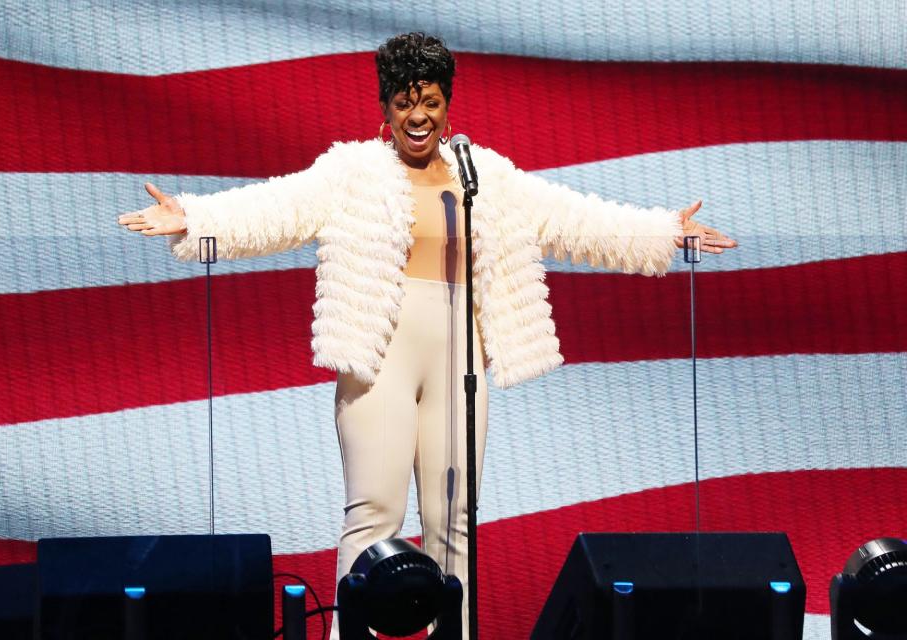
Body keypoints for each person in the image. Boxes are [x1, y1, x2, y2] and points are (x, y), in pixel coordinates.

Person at [118, 32, 736, 638]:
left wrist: (662, 233)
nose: (419, 116)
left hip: (458, 356)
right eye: (405, 102)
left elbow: (573, 218)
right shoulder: (352, 171)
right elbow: (277, 208)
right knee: (373, 515)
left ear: (447, 105)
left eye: (431, 101)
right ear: (385, 107)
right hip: (380, 354)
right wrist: (195, 218)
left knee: (456, 523)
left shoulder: (481, 174)